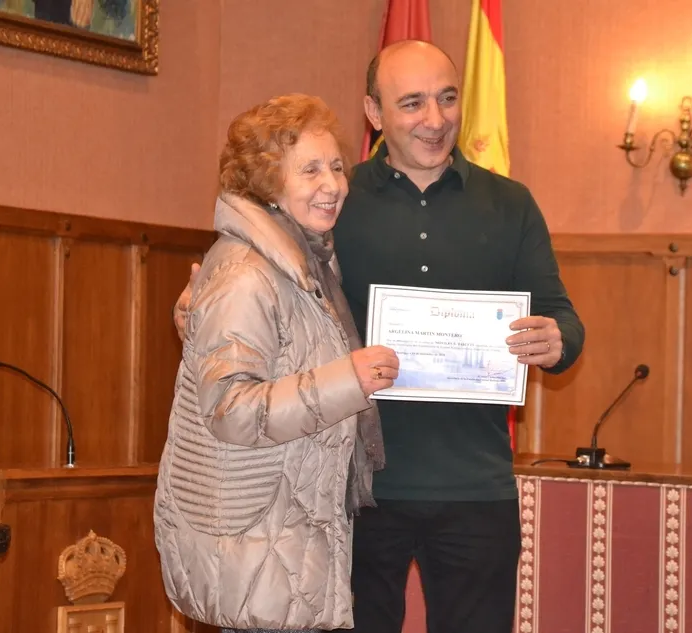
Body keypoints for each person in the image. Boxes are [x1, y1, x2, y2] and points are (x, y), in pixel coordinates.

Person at [174, 41, 584, 633]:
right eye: (412, 103)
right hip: (354, 489)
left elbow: (562, 317)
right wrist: (197, 308)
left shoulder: (510, 203)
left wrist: (557, 339)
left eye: (447, 98)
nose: (434, 119)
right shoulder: (332, 202)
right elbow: (259, 288)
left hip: (476, 486)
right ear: (374, 111)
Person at [153, 93, 400, 633]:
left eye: (336, 167)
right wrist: (348, 380)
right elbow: (231, 409)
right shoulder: (248, 273)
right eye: (310, 170)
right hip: (257, 546)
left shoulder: (305, 264)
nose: (332, 184)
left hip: (283, 544)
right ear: (268, 182)